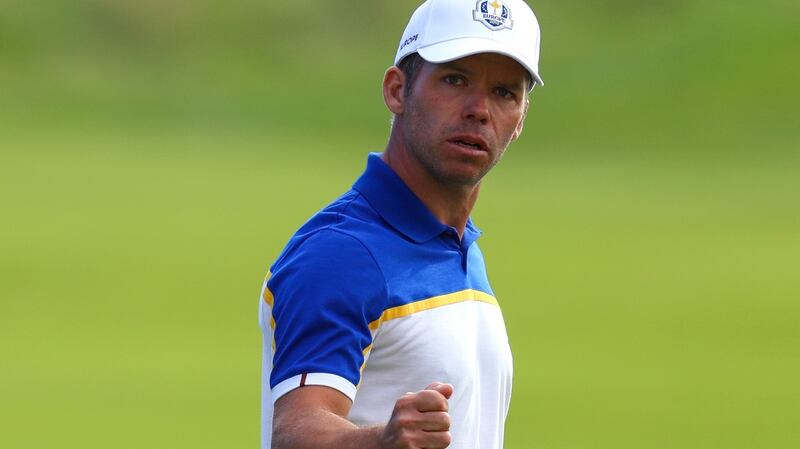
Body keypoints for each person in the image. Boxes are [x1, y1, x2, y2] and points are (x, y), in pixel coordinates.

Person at [258, 0, 544, 447]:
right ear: (397, 90)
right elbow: (296, 431)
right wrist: (382, 441)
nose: (479, 109)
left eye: (504, 92)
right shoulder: (342, 252)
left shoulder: (456, 245)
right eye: (455, 79)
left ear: (521, 118)